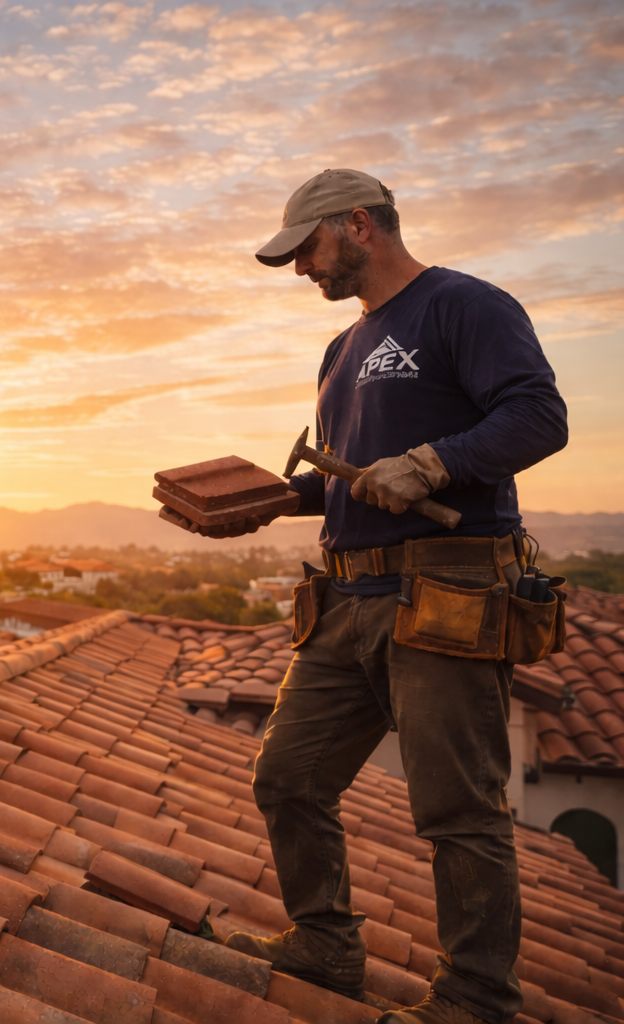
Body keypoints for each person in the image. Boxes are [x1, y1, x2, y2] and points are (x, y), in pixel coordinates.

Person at [164, 169, 568, 1024]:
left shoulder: (463, 306)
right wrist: (267, 504)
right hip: (346, 602)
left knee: (458, 809)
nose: (304, 270)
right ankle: (325, 945)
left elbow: (539, 416)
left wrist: (431, 463)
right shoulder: (341, 350)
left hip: (445, 593)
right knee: (288, 776)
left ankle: (476, 998)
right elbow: (351, 483)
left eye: (308, 249)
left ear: (359, 225)